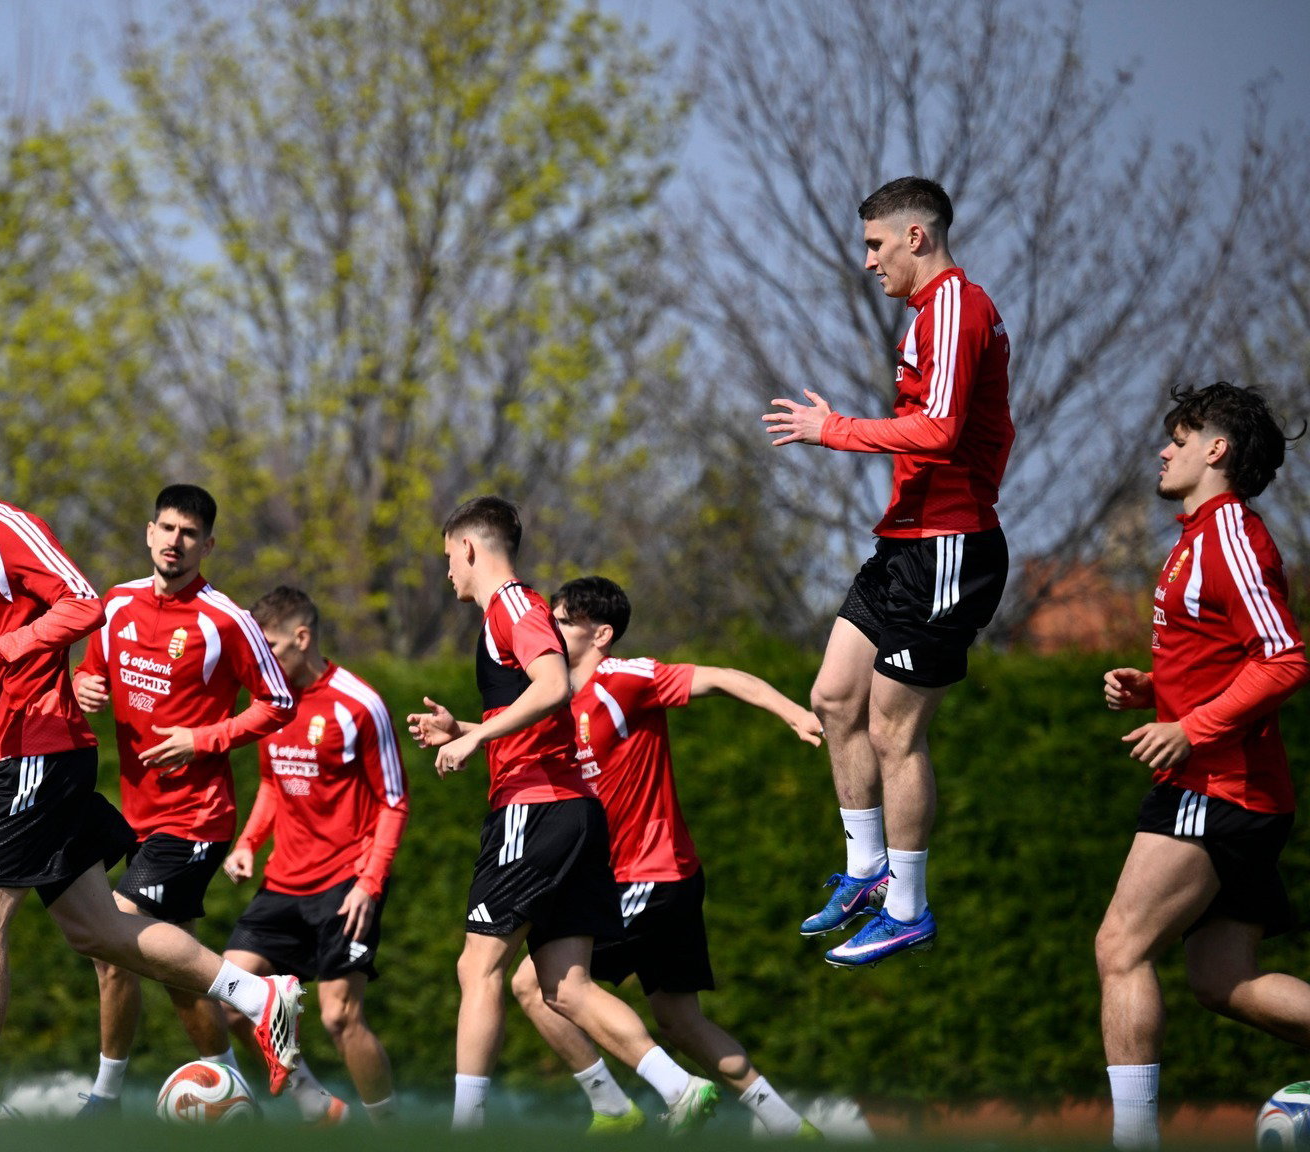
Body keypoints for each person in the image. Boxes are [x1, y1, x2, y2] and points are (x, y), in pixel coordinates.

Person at [0, 415, 304, 1117]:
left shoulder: (2, 526)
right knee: (97, 931)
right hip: (22, 751)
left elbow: (83, 602)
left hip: (41, 753)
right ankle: (258, 995)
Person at [760, 176, 1014, 966]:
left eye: (875, 244)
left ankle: (906, 906)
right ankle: (867, 871)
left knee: (894, 729)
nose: (867, 260)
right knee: (835, 695)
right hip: (906, 544)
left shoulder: (956, 307)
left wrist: (830, 428)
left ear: (916, 236)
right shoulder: (928, 316)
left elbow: (937, 431)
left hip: (949, 547)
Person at [405, 497, 716, 1131]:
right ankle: (679, 1088)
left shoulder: (512, 607)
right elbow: (537, 707)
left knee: (478, 965)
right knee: (565, 988)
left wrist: (475, 741)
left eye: (447, 559)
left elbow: (553, 690)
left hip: (534, 809)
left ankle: (467, 1129)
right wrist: (462, 727)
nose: (448, 575)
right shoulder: (520, 611)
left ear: (469, 548)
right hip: (571, 812)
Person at [509, 576, 821, 1137]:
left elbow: (722, 678)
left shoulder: (622, 680)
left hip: (647, 874)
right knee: (680, 1021)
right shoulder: (551, 700)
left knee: (535, 985)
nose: (550, 631)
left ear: (601, 634)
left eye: (561, 622)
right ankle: (790, 1127)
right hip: (653, 878)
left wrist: (790, 710)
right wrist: (459, 734)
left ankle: (620, 1103)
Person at [1095, 384, 1310, 1150]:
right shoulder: (1197, 538)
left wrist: (1191, 728)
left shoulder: (1230, 537)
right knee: (1223, 982)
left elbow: (1284, 659)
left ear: (1216, 450)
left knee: (1119, 948)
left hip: (1218, 787)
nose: (1164, 449)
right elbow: (1227, 657)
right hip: (1229, 785)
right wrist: (1154, 690)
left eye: (1179, 438)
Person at [69, 485, 295, 1114]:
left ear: (208, 544)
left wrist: (202, 739)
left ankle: (104, 1099)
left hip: (197, 817)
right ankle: (260, 1092)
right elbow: (94, 671)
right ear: (148, 532)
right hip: (137, 814)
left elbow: (278, 703)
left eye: (189, 533)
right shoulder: (115, 604)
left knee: (113, 932)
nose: (175, 541)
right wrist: (85, 686)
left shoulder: (226, 619)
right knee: (179, 974)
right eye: (166, 528)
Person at [219, 586, 407, 1124]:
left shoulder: (359, 703)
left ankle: (387, 1129)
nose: (263, 660)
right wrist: (249, 845)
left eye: (271, 647)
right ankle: (316, 1106)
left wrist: (370, 883)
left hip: (346, 884)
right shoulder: (269, 702)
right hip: (283, 883)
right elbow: (273, 786)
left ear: (302, 639)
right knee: (230, 1003)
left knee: (339, 1019)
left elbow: (394, 802)